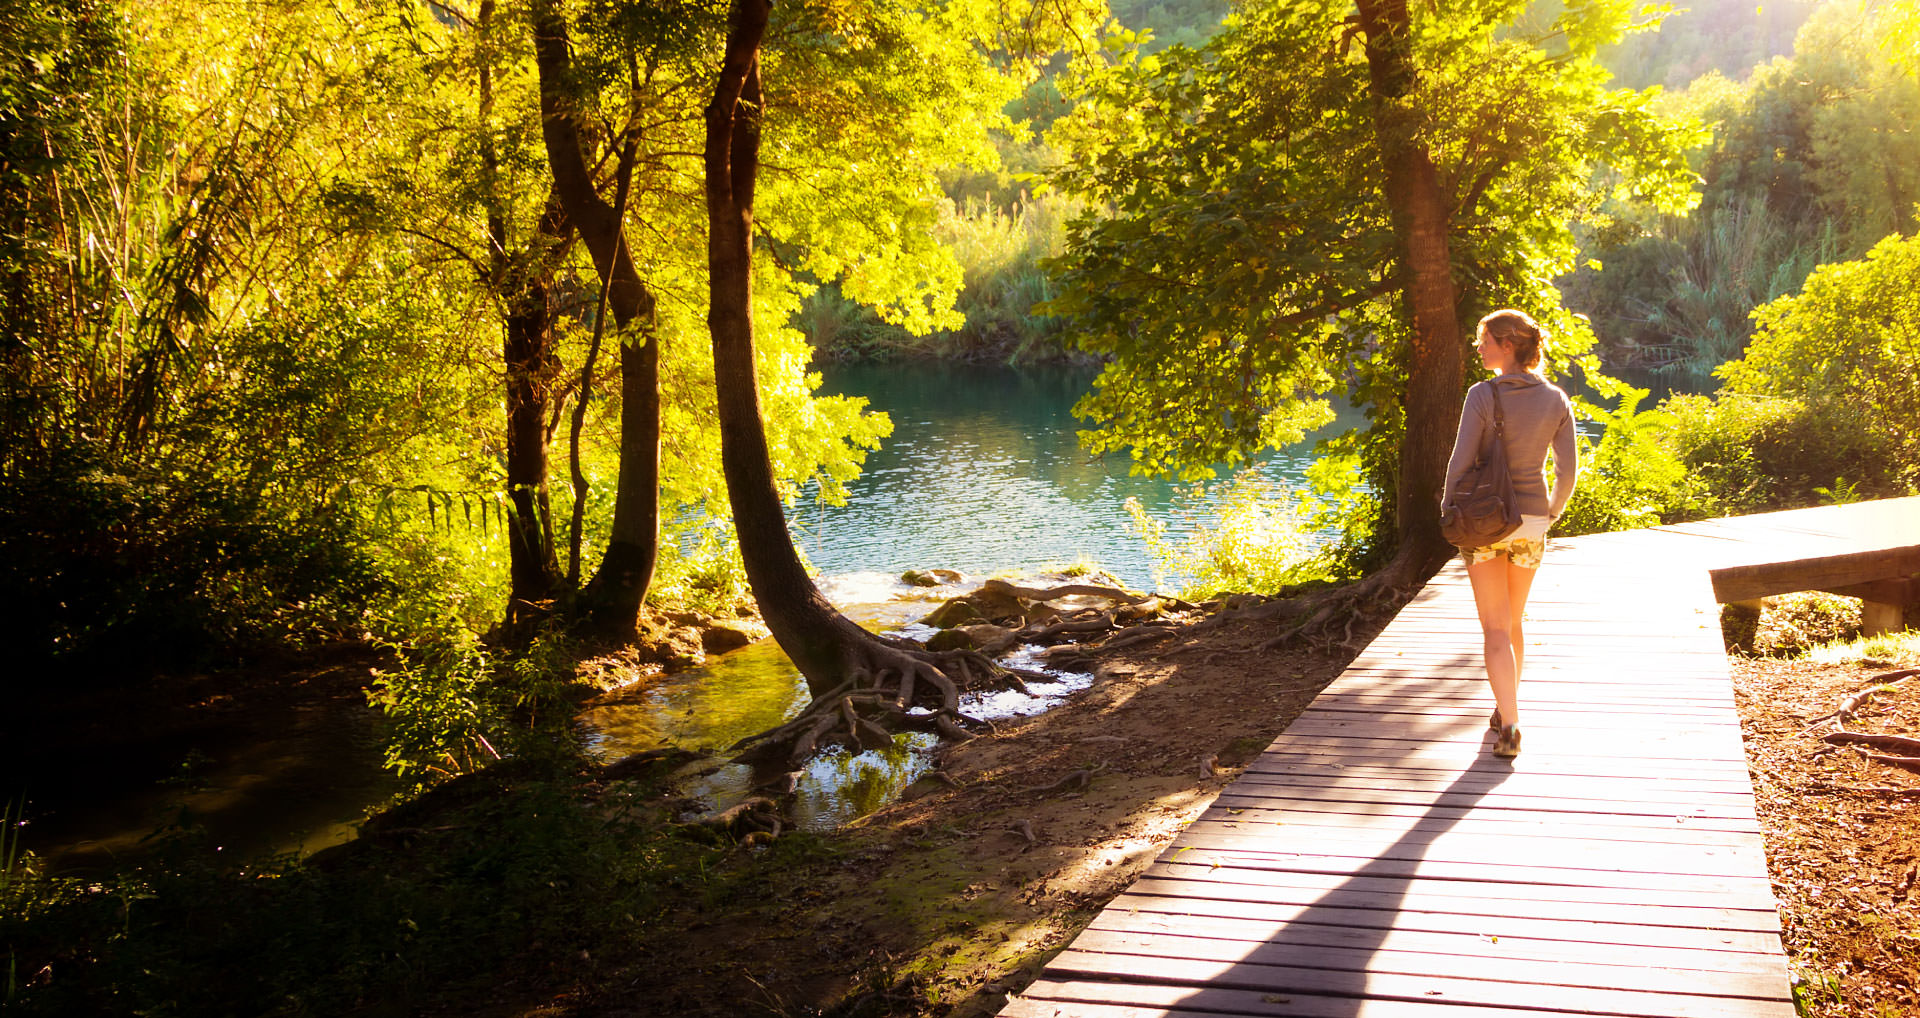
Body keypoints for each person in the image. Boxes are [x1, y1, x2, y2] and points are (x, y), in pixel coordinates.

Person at [1443, 309, 1577, 758]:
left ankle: (1511, 726)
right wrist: (1550, 513)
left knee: (1495, 629)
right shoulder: (1556, 398)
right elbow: (1567, 470)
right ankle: (1505, 710)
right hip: (1532, 522)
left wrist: (1448, 508)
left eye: (1484, 340)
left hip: (1485, 522)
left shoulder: (1482, 395)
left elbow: (1460, 463)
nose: (1478, 347)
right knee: (1514, 622)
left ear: (1506, 345)